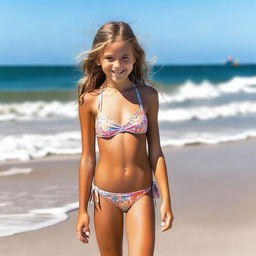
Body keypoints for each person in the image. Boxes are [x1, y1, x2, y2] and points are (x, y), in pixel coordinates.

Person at [76, 21, 174, 256]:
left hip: (141, 194)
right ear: (98, 60)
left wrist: (167, 199)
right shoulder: (89, 101)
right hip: (104, 196)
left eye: (124, 57)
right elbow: (87, 158)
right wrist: (82, 209)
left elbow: (156, 152)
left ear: (135, 58)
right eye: (110, 58)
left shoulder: (148, 97)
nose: (117, 64)